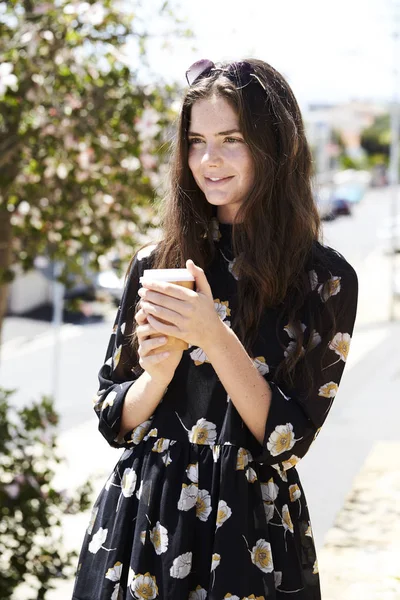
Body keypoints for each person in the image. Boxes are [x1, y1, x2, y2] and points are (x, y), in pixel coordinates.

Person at [72, 58, 358, 600]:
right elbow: (113, 419)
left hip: (253, 533)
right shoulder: (157, 262)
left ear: (276, 146)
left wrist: (212, 333)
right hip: (142, 525)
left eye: (231, 139)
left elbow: (287, 440)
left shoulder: (326, 279)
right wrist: (156, 376)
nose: (210, 160)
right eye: (196, 140)